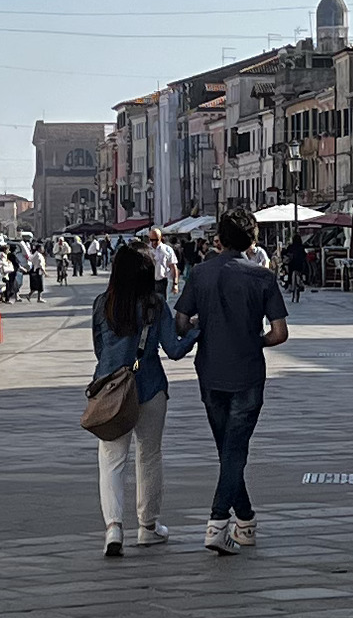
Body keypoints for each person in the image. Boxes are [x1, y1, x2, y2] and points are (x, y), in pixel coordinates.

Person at [175, 210, 290, 553]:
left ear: (219, 240)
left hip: (210, 371)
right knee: (235, 449)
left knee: (227, 449)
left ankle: (245, 521)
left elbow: (180, 323)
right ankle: (219, 523)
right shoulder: (263, 278)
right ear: (253, 242)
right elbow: (280, 333)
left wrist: (202, 324)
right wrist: (256, 340)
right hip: (248, 371)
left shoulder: (201, 273)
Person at [89, 243, 187, 557]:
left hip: (112, 391)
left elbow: (100, 350)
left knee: (111, 461)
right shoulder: (156, 304)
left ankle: (113, 528)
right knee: (149, 456)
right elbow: (174, 350)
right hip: (150, 387)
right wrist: (196, 331)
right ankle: (148, 527)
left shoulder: (103, 303)